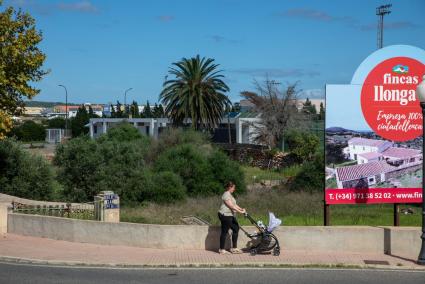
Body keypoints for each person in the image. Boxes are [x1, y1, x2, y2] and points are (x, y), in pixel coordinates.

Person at [217, 181, 246, 254]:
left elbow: (234, 205)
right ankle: (221, 249)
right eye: (233, 188)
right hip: (225, 215)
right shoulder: (226, 194)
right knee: (224, 231)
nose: (234, 189)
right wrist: (240, 212)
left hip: (229, 215)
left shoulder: (230, 195)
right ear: (230, 187)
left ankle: (234, 248)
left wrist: (241, 209)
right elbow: (231, 206)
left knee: (236, 228)